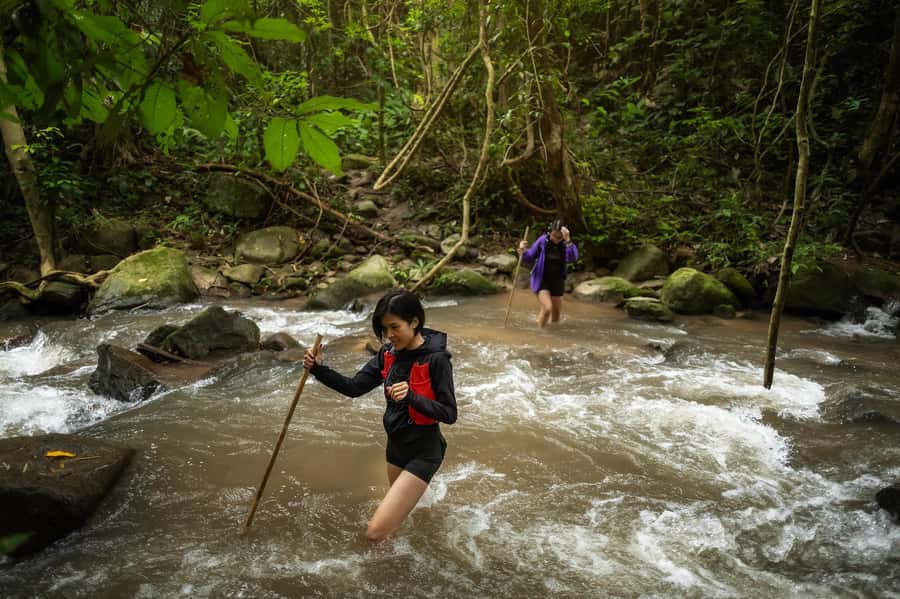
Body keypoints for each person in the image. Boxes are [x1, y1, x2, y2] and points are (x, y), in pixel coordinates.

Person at [302, 289, 457, 542]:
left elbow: (450, 413)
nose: (389, 335)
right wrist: (319, 370)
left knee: (375, 533)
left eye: (395, 327)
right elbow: (354, 388)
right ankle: (407, 556)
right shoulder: (387, 355)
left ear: (415, 322)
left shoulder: (436, 359)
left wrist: (411, 397)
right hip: (396, 449)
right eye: (384, 329)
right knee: (392, 529)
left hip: (424, 452)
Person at [517, 219, 579, 327]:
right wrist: (522, 250)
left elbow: (573, 257)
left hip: (557, 280)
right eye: (554, 236)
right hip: (542, 279)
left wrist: (568, 239)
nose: (556, 239)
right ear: (550, 232)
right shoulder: (542, 241)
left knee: (556, 317)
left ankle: (552, 338)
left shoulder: (566, 243)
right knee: (547, 309)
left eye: (559, 237)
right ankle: (540, 336)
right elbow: (528, 258)